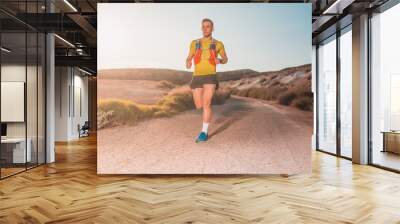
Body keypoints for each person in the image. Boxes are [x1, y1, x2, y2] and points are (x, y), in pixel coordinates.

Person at [186, 18, 228, 143]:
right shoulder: (194, 43)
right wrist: (188, 62)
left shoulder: (218, 44)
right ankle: (205, 117)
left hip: (211, 76)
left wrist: (220, 60)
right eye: (203, 26)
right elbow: (188, 58)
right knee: (199, 104)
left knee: (206, 103)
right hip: (197, 76)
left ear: (212, 28)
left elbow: (225, 58)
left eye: (208, 26)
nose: (205, 28)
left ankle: (204, 132)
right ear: (201, 28)